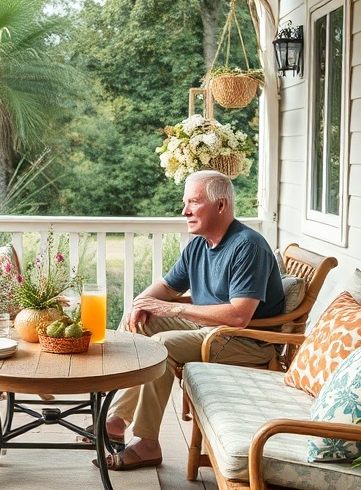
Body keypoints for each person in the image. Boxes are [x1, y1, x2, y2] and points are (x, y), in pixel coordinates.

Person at [95, 170, 284, 470]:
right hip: (210, 329)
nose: (185, 211)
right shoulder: (199, 244)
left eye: (194, 202)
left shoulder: (248, 246)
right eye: (185, 202)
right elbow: (167, 287)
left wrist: (174, 310)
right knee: (140, 322)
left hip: (248, 340)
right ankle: (116, 421)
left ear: (221, 205)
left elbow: (239, 315)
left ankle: (147, 443)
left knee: (162, 345)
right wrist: (139, 305)